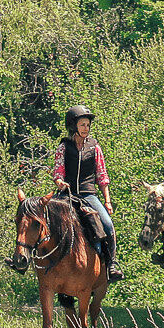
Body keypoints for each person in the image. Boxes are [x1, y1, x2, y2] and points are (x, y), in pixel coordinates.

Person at [52, 105, 123, 282]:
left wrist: (107, 201)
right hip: (67, 195)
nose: (86, 128)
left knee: (107, 224)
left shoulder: (95, 147)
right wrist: (59, 181)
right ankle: (33, 259)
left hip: (88, 195)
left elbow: (102, 175)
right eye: (82, 125)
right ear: (73, 126)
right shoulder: (63, 147)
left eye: (88, 125)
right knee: (45, 219)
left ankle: (112, 263)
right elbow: (58, 171)